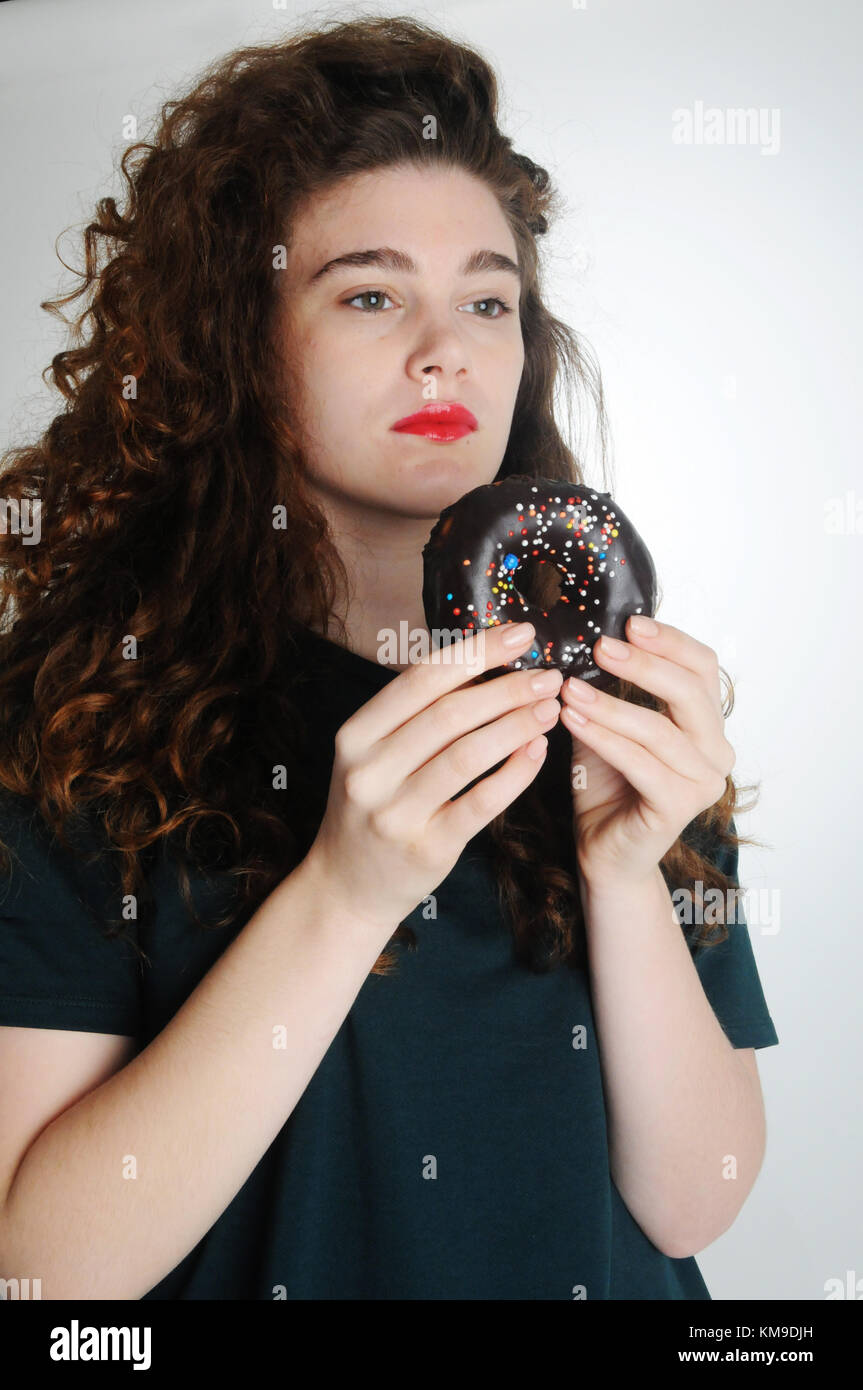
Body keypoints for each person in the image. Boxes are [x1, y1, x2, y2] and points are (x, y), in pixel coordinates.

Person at [0, 14, 778, 1301]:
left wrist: (627, 872)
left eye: (487, 297)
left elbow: (692, 1199)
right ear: (236, 340)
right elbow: (45, 1275)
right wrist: (345, 890)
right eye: (370, 294)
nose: (446, 348)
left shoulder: (624, 697)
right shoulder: (80, 719)